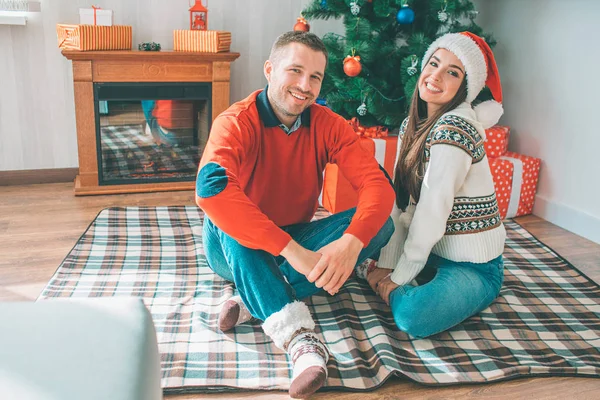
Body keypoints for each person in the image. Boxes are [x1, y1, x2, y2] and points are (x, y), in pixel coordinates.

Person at [195, 31, 395, 399]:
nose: (305, 86)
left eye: (315, 77)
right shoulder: (235, 121)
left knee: (382, 224)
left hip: (295, 234)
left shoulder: (328, 124)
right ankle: (301, 341)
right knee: (234, 217)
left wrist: (351, 244)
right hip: (232, 247)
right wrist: (293, 252)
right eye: (295, 71)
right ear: (270, 70)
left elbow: (378, 186)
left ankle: (253, 299)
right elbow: (211, 190)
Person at [365, 32, 507, 339]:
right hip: (434, 253)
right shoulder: (410, 125)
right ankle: (409, 275)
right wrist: (389, 265)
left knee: (414, 316)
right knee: (361, 231)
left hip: (473, 267)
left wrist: (396, 279)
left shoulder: (456, 128)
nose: (436, 76)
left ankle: (410, 288)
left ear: (465, 87)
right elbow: (400, 200)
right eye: (434, 63)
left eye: (452, 72)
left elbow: (432, 207)